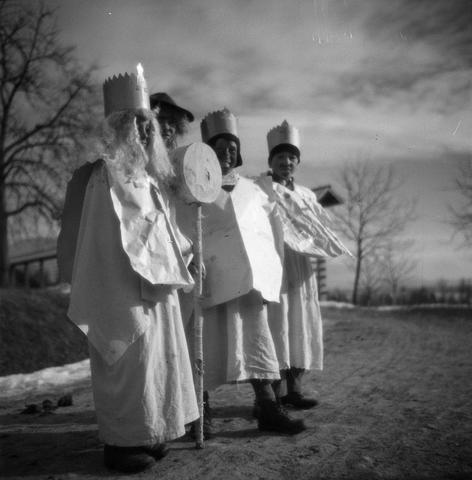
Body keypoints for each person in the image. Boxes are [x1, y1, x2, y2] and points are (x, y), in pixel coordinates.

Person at [57, 67, 199, 473]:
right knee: (132, 365)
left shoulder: (149, 180)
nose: (143, 132)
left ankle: (152, 432)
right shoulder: (106, 176)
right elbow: (103, 242)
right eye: (134, 123)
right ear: (118, 127)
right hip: (123, 292)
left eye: (146, 123)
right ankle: (121, 444)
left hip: (156, 291)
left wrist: (184, 251)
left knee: (158, 364)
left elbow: (162, 230)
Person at [184, 108, 306, 436]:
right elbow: (183, 233)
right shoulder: (193, 189)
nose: (227, 150)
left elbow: (269, 238)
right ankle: (200, 413)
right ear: (207, 150)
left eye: (232, 146)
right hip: (211, 284)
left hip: (251, 287)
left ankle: (268, 407)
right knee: (204, 346)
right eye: (219, 145)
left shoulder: (253, 191)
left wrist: (269, 280)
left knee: (257, 342)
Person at [257, 120, 349, 411]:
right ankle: (269, 396)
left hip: (301, 267)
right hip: (274, 265)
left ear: (297, 161)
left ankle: (293, 389)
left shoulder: (307, 195)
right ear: (271, 160)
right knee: (276, 325)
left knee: (300, 324)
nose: (287, 162)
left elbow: (320, 228)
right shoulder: (261, 189)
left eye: (291, 157)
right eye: (281, 157)